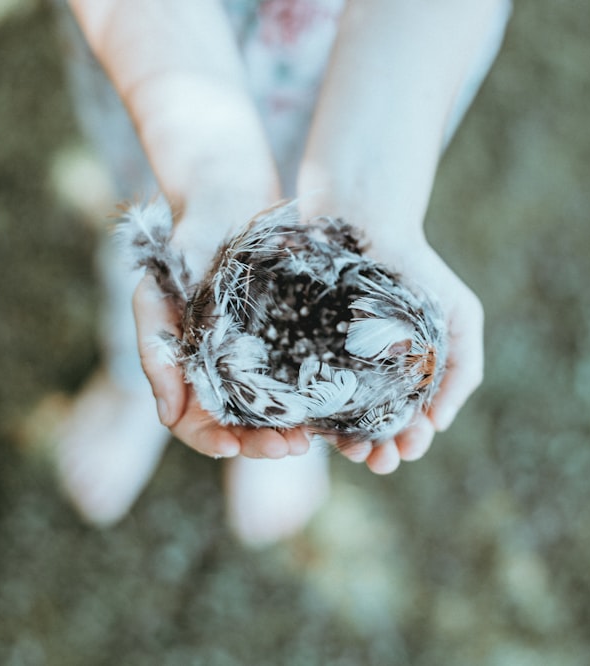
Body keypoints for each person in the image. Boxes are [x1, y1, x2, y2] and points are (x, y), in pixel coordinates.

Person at [52, 0, 511, 546]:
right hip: (169, 60)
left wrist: (369, 197)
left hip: (381, 84)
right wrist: (214, 177)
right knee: (169, 233)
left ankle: (289, 415)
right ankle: (135, 378)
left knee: (242, 248)